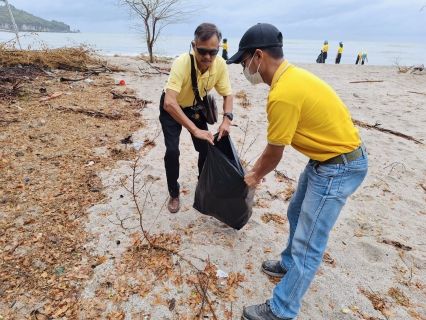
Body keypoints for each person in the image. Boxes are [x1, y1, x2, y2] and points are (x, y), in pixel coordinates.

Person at [227, 23, 368, 320]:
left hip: (339, 167)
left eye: (244, 63)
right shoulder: (292, 77)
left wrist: (253, 175)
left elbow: (274, 153)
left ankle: (282, 309)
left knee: (309, 241)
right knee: (295, 212)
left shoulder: (283, 94)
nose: (245, 69)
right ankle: (289, 264)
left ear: (258, 56)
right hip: (324, 160)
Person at [160, 23, 234, 213]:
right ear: (194, 46)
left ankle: (203, 184)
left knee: (207, 146)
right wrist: (194, 129)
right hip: (172, 108)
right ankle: (174, 193)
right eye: (202, 51)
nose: (208, 57)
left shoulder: (220, 65)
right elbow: (169, 102)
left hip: (195, 107)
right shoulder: (182, 63)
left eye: (213, 52)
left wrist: (227, 119)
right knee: (172, 150)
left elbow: (228, 94)